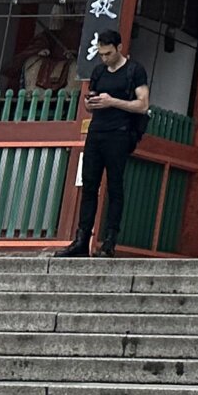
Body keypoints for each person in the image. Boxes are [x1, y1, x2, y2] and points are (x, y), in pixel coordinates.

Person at [59, 28, 150, 257]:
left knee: (115, 185)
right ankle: (81, 239)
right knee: (90, 184)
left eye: (108, 53)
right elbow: (89, 102)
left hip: (119, 132)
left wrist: (113, 102)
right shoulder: (99, 72)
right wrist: (93, 103)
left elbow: (142, 104)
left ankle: (109, 240)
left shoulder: (134, 71)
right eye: (101, 54)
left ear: (119, 48)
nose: (105, 58)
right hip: (96, 131)